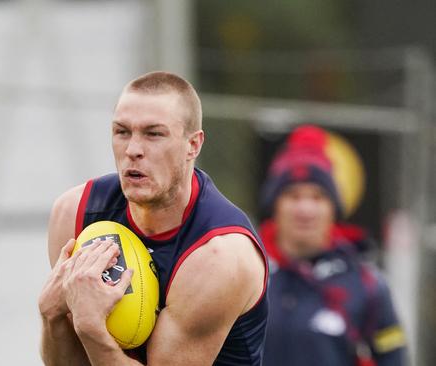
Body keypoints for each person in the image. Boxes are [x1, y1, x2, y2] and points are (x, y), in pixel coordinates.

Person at [38, 71, 268, 365]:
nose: (133, 150)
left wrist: (92, 328)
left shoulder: (218, 255)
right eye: (122, 132)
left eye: (153, 134)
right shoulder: (74, 213)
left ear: (193, 145)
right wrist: (52, 318)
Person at [259, 125, 407, 366]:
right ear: (275, 204)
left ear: (334, 208)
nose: (305, 209)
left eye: (317, 197)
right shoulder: (245, 270)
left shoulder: (367, 285)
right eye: (293, 196)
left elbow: (394, 357)